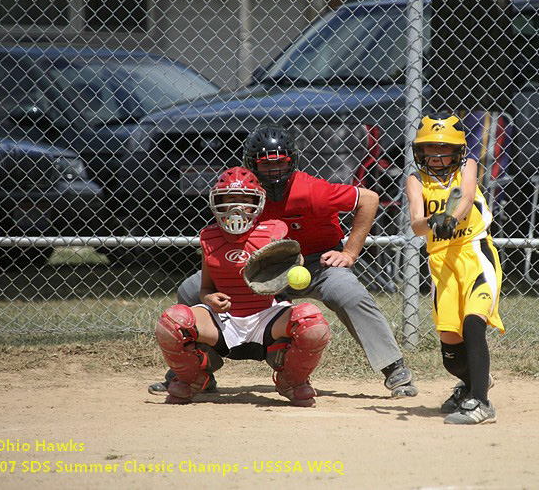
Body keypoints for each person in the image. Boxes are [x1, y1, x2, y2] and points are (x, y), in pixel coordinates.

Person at [150, 124, 417, 398]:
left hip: (316, 263)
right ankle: (191, 371)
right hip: (262, 265)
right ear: (250, 165)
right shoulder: (248, 191)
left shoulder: (312, 190)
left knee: (349, 294)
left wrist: (349, 253)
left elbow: (369, 199)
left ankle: (393, 367)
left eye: (280, 164)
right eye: (264, 166)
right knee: (192, 289)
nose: (272, 173)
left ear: (293, 162)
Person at [155, 167, 331, 406]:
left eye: (244, 200)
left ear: (258, 203)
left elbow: (294, 260)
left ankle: (292, 380)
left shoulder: (274, 230)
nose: (236, 208)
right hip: (224, 319)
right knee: (171, 321)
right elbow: (205, 288)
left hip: (265, 316)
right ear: (215, 203)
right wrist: (209, 299)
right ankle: (193, 379)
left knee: (311, 321)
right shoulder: (209, 237)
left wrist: (294, 260)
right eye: (227, 200)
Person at [405, 113, 504, 425]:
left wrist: (452, 218)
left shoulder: (467, 167)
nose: (436, 156)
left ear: (457, 151)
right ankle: (473, 384)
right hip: (442, 265)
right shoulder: (415, 180)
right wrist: (433, 221)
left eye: (443, 149)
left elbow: (465, 199)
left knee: (474, 323)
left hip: (475, 254)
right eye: (429, 149)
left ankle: (481, 404)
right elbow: (416, 224)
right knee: (451, 350)